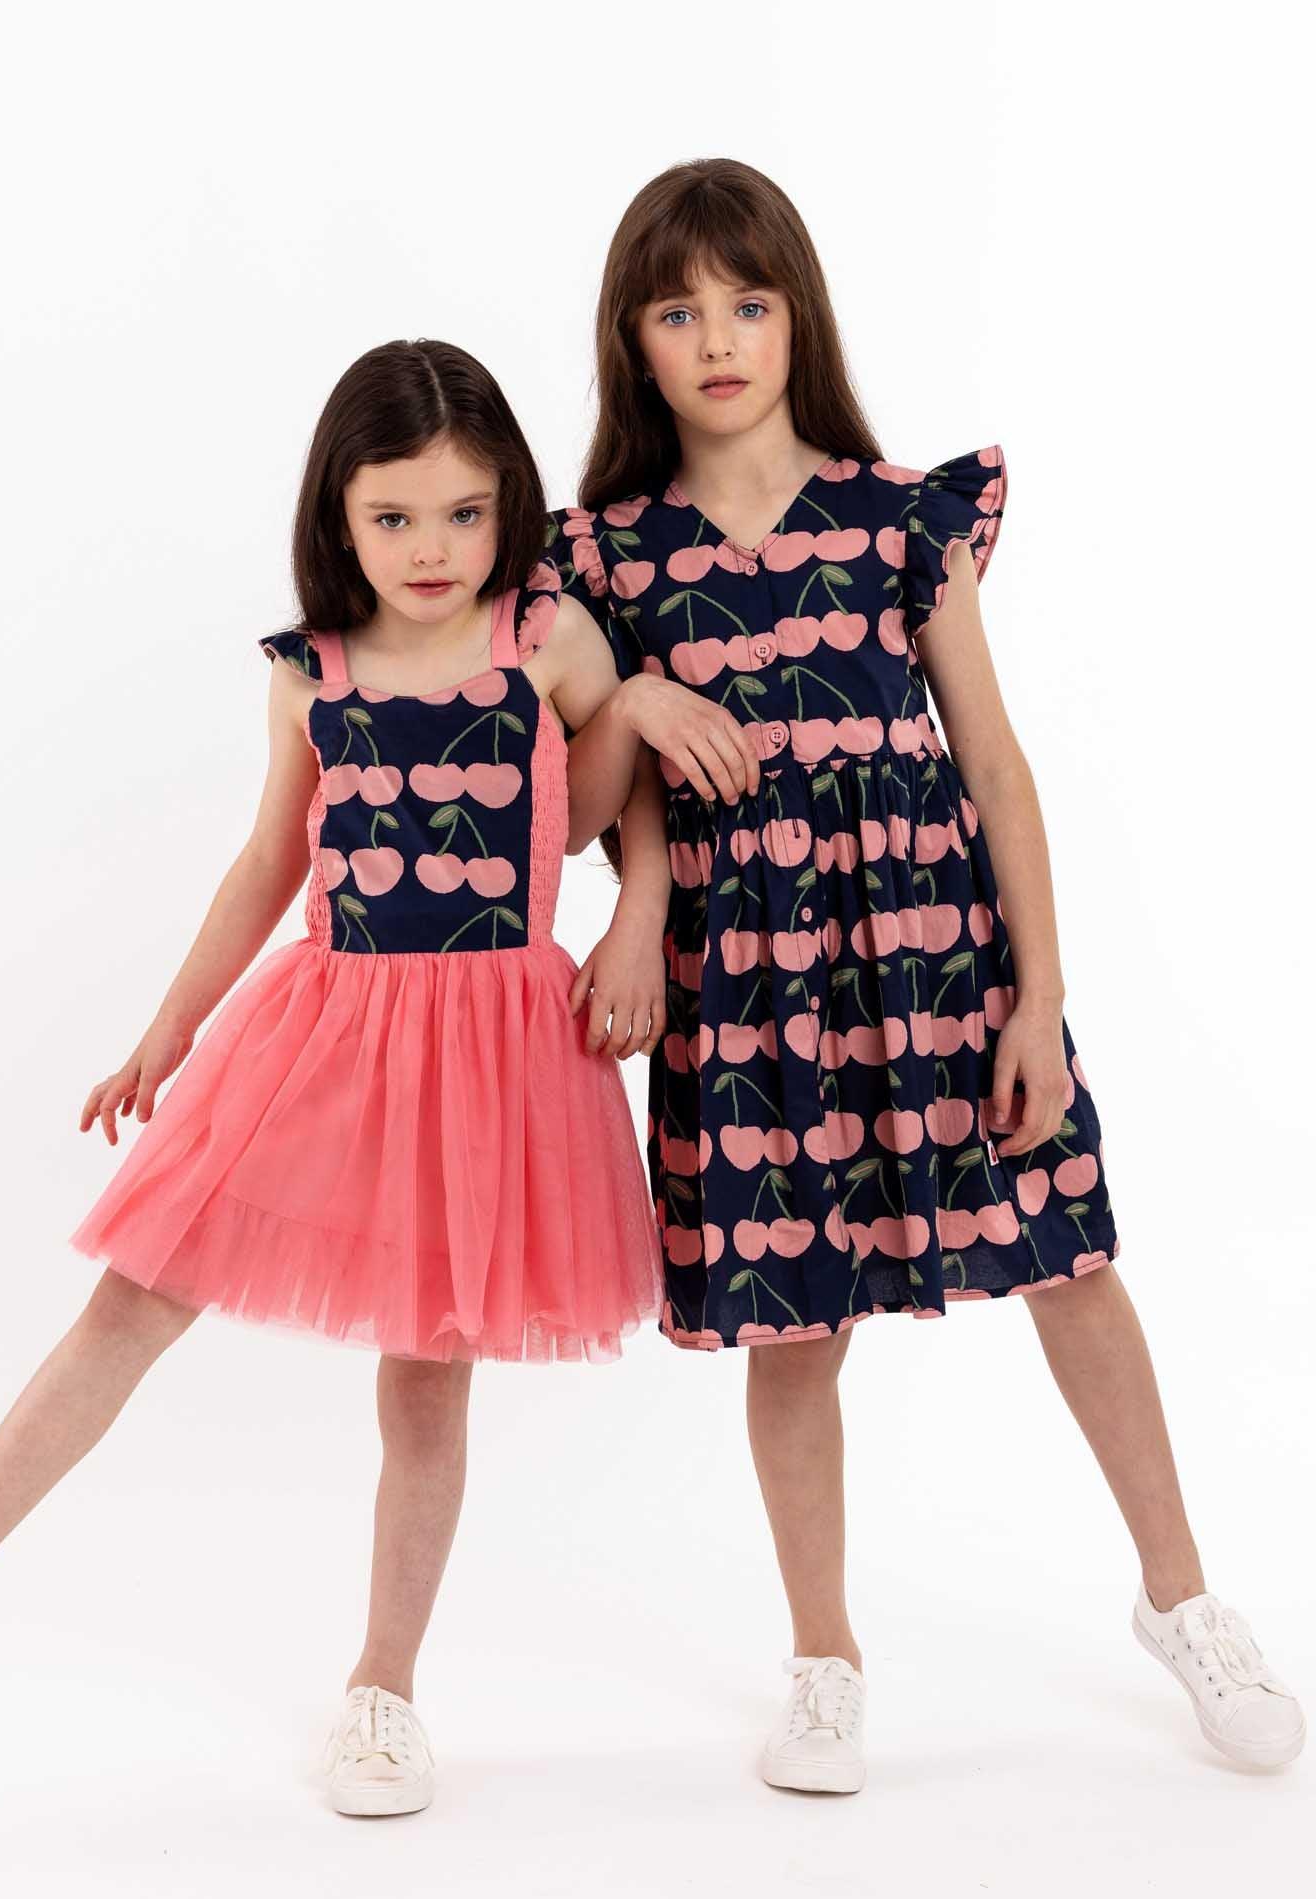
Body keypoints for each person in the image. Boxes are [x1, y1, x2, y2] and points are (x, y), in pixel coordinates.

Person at [0, 338, 668, 1817]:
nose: (432, 549)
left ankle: (383, 1694)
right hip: (327, 1030)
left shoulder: (552, 640)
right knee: (134, 1295)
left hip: (497, 1046)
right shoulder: (307, 673)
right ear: (338, 515)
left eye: (462, 513)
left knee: (428, 1376)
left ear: (507, 504)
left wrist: (640, 916)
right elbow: (270, 861)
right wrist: (171, 1026)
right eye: (394, 518)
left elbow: (615, 798)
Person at [545, 158, 1304, 1793]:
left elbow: (999, 768)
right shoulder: (600, 559)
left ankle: (1184, 1601)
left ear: (796, 312)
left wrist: (1036, 997)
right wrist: (634, 837)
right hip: (747, 989)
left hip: (935, 958)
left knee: (1071, 1260)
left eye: (748, 301)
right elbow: (613, 797)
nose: (720, 338)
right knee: (795, 1328)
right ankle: (823, 1660)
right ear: (635, 339)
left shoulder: (905, 518)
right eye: (679, 310)